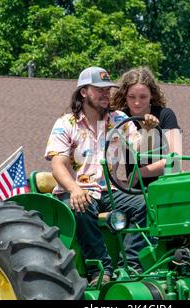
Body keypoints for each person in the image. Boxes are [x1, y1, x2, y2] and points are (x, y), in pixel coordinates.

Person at [44, 66, 156, 286]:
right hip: (79, 191)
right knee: (81, 205)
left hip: (110, 192)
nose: (106, 94)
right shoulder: (66, 123)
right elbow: (58, 165)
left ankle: (131, 267)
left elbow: (140, 150)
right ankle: (99, 269)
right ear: (84, 92)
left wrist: (148, 130)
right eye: (99, 89)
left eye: (108, 90)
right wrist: (74, 189)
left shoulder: (119, 119)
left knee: (145, 203)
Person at [111, 67, 182, 188]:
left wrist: (139, 174)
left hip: (165, 186)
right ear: (124, 96)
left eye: (143, 97)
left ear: (152, 95)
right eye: (131, 97)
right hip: (134, 192)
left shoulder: (165, 115)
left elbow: (176, 161)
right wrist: (116, 183)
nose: (137, 102)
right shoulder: (119, 118)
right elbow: (110, 158)